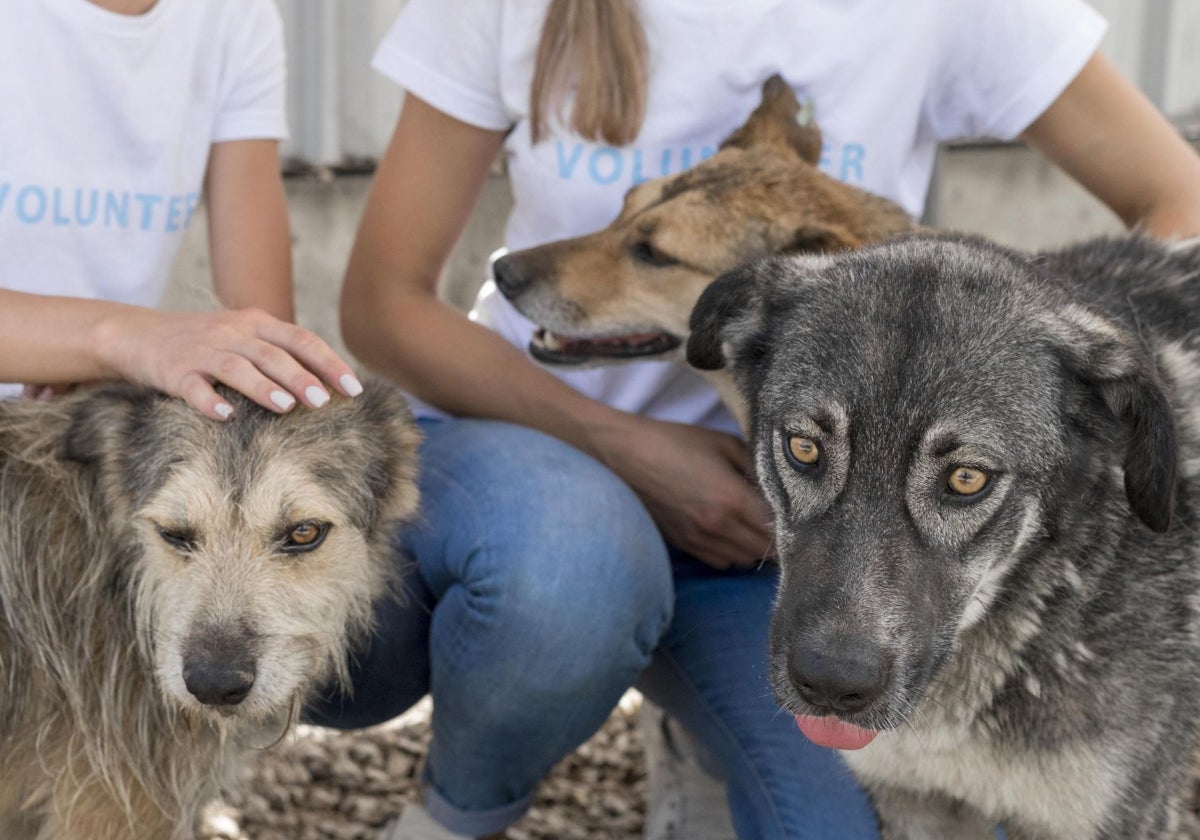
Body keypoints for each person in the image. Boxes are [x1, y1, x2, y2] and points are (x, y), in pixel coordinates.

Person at [311, 1, 1200, 839]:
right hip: (545, 480)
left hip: (774, 527)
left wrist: (1014, 362)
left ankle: (704, 726)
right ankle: (458, 810)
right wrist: (635, 451)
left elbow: (1181, 202)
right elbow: (382, 301)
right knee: (567, 571)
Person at [0, 0, 361, 416]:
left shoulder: (233, 16)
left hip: (89, 430)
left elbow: (258, 333)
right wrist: (121, 340)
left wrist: (133, 356)